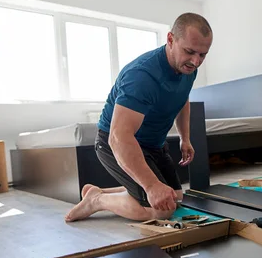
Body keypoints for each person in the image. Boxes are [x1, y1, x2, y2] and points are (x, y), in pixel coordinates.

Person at [65, 12, 213, 222]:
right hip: (116, 142)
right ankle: (97, 201)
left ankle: (101, 192)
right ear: (170, 39)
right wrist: (152, 186)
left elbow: (182, 98)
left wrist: (185, 138)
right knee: (162, 210)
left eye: (202, 55)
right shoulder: (142, 76)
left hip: (153, 144)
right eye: (189, 51)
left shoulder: (188, 68)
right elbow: (119, 137)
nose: (196, 61)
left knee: (175, 196)